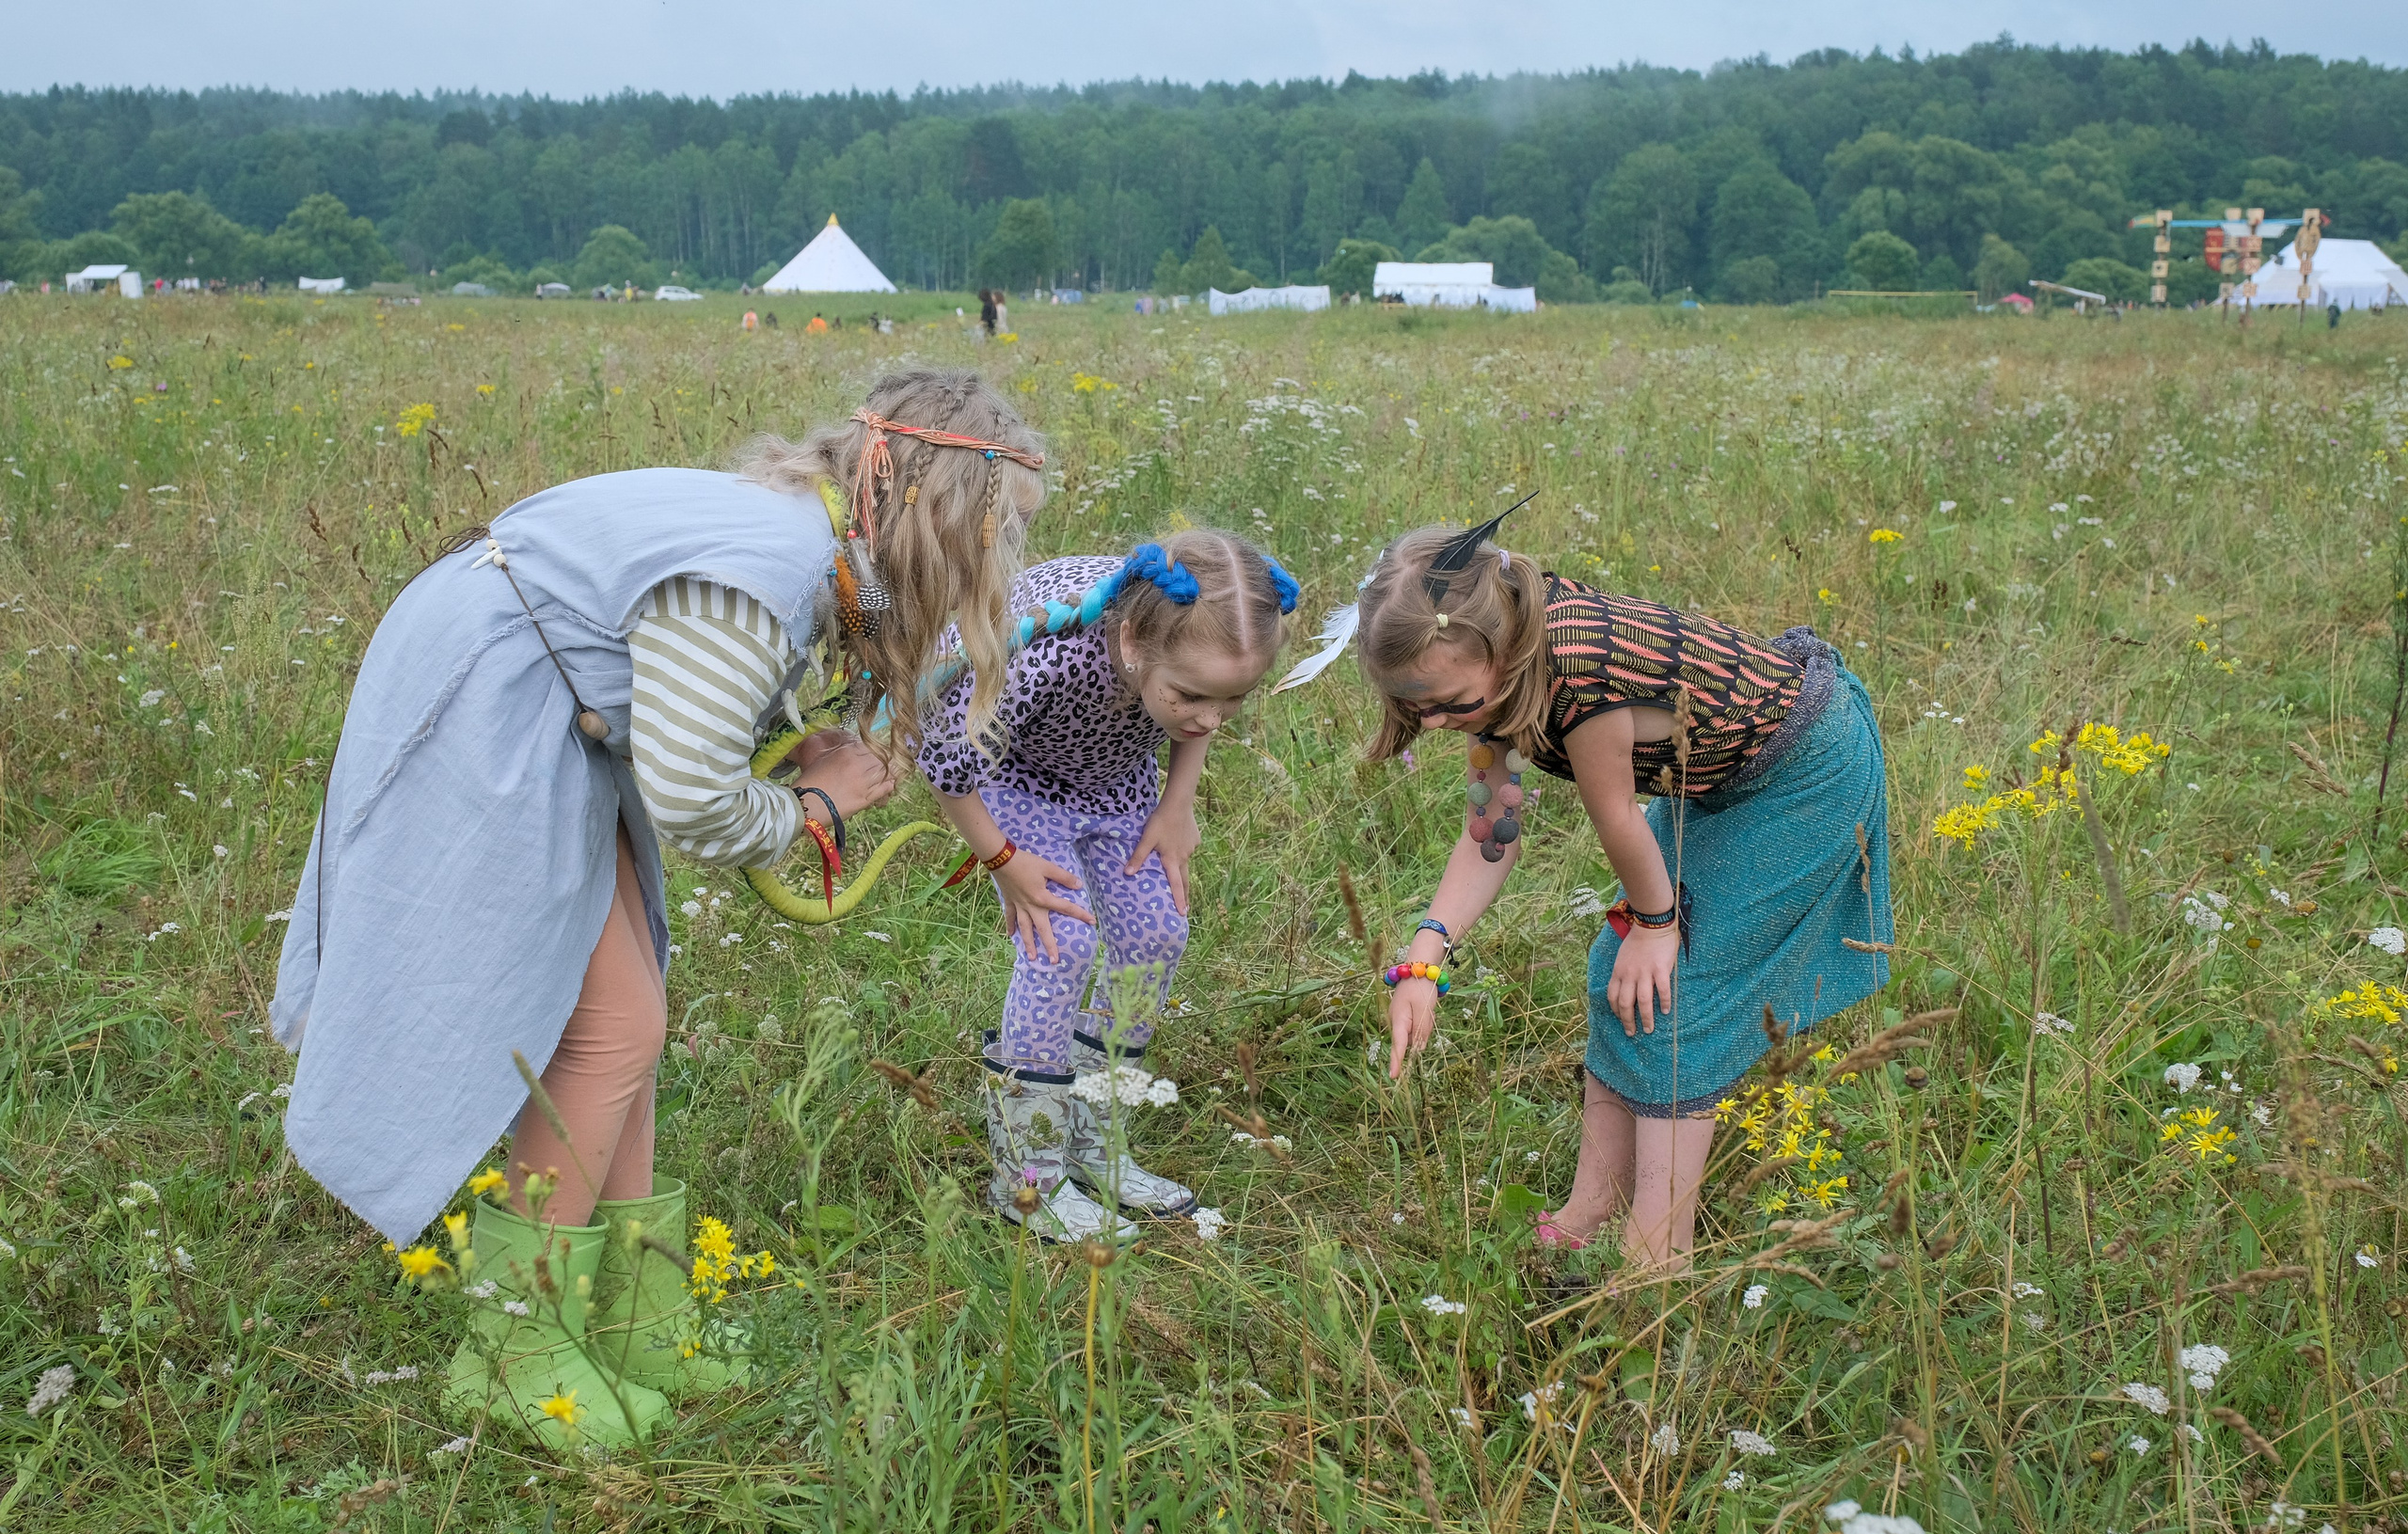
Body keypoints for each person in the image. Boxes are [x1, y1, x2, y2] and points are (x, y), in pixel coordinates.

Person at [272, 370, 1046, 1447]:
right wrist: (810, 806)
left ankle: (636, 1310)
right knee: (607, 1032)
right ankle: (515, 1347)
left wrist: (796, 767)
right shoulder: (770, 569)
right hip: (494, 714)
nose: (993, 566)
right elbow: (690, 798)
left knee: (630, 1023)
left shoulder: (795, 537)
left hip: (544, 707)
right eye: (994, 536)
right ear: (939, 513)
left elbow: (689, 718)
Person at [1354, 520, 1891, 1268]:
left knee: (1677, 990)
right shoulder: (1498, 674)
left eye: (1449, 702)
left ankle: (1659, 1247)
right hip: (1719, 773)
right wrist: (1424, 954)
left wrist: (1660, 923)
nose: (1437, 723)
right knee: (1620, 966)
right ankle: (1594, 1203)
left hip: (1804, 772)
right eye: (1420, 710)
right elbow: (1491, 834)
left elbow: (1617, 821)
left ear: (1497, 650)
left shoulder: (1579, 681)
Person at [917, 531, 1299, 1241]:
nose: (1211, 718)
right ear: (1130, 641)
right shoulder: (1045, 654)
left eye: (1233, 699)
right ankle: (1028, 1177)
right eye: (1189, 695)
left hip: (1117, 783)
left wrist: (1175, 804)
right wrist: (1004, 863)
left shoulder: (1185, 652)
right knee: (1061, 942)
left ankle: (1095, 1146)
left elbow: (1200, 707)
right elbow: (944, 762)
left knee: (1157, 931)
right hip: (1016, 777)